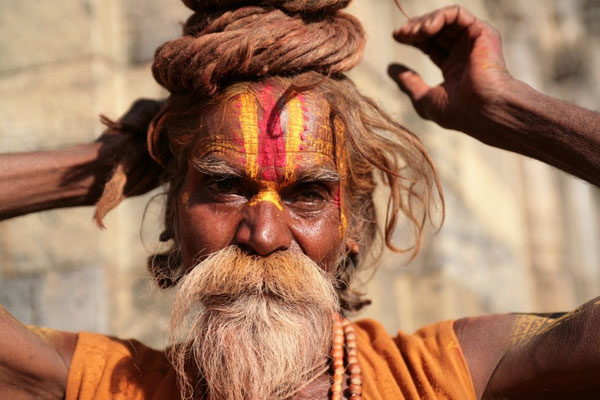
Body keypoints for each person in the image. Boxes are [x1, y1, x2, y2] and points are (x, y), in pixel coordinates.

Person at [1, 2, 599, 399]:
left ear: (354, 226)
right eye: (225, 186)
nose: (263, 234)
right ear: (170, 217)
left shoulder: (447, 374)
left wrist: (516, 111)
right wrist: (100, 169)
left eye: (309, 195)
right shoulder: (106, 384)